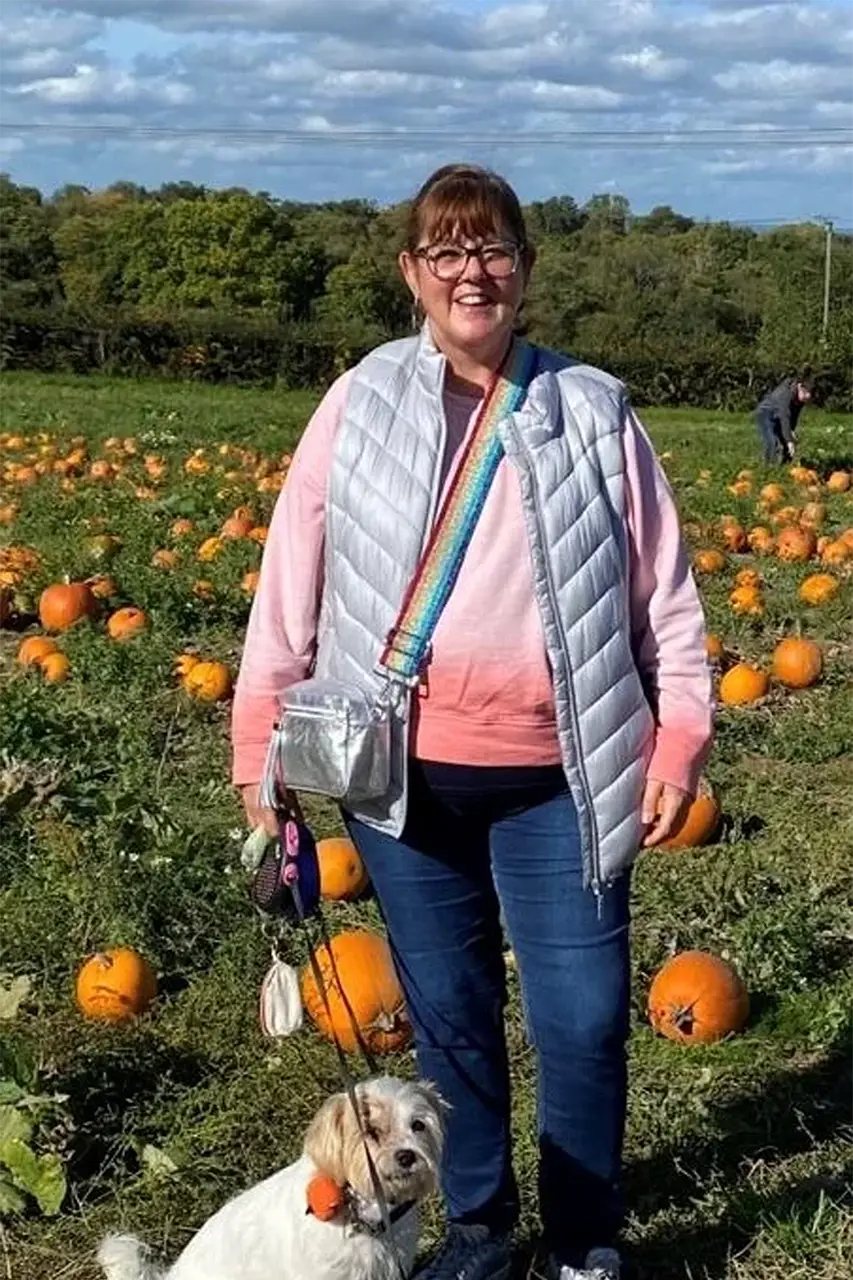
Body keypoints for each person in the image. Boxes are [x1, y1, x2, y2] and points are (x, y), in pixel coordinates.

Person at [231, 164, 714, 1280]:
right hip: (401, 780)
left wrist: (679, 733)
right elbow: (287, 583)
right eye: (445, 252)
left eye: (491, 248)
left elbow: (665, 596)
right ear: (412, 274)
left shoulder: (591, 409)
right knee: (448, 1019)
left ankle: (586, 1238)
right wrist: (262, 750)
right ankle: (481, 1226)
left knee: (585, 1019)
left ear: (524, 269)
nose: (471, 272)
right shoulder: (357, 403)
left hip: (564, 774)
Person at [754, 375, 813, 464]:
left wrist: (791, 431)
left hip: (779, 416)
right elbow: (785, 417)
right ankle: (769, 468)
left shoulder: (800, 398)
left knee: (786, 443)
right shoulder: (785, 394)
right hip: (765, 414)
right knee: (772, 442)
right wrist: (789, 440)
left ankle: (786, 466)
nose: (807, 396)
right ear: (799, 386)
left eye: (809, 393)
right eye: (805, 392)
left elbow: (794, 415)